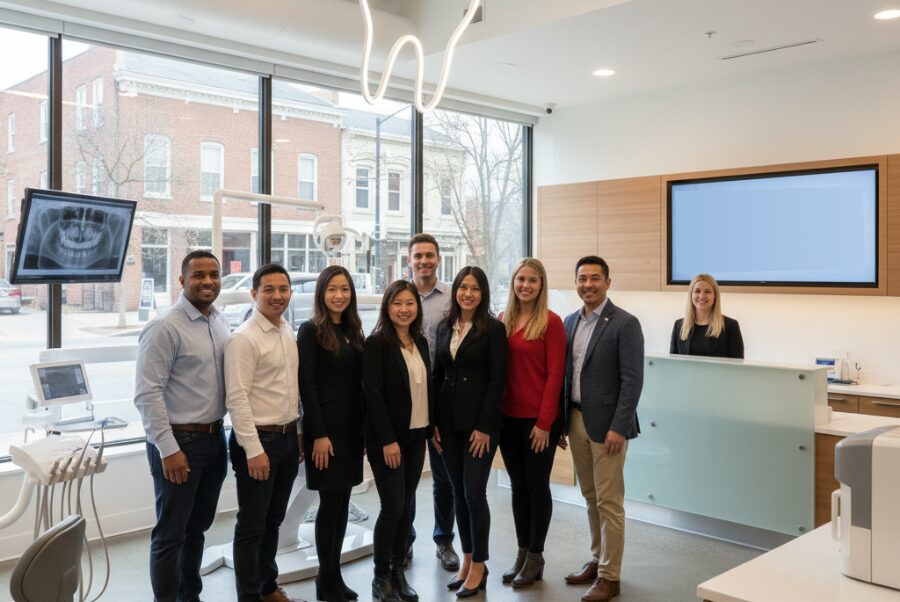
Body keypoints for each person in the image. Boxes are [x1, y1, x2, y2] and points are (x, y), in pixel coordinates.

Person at [135, 250, 230, 602]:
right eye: (199, 275)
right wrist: (168, 449)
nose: (208, 281)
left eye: (214, 275)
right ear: (182, 281)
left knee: (198, 527)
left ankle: (190, 595)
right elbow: (147, 394)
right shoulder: (165, 327)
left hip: (214, 438)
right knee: (171, 533)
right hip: (179, 442)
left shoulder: (219, 321)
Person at [561, 256, 644, 602]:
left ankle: (611, 576)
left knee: (610, 501)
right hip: (576, 420)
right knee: (590, 496)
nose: (588, 284)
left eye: (595, 278)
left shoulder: (625, 323)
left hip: (609, 427)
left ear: (608, 282)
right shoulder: (569, 321)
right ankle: (598, 560)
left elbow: (632, 380)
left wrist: (619, 427)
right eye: (582, 278)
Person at [225, 263, 305, 602]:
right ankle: (249, 596)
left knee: (273, 520)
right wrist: (254, 450)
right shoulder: (244, 338)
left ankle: (268, 587)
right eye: (269, 289)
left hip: (286, 438)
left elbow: (290, 390)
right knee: (252, 525)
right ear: (254, 293)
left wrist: (298, 431)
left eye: (283, 289)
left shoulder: (286, 330)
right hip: (258, 442)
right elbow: (237, 398)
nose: (277, 295)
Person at [431, 266, 508, 598]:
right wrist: (433, 422)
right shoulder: (445, 326)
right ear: (455, 291)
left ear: (483, 293)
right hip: (447, 425)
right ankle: (466, 559)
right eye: (463, 287)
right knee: (458, 492)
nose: (467, 293)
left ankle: (480, 564)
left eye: (475, 288)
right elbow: (437, 375)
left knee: (475, 494)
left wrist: (485, 427)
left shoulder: (492, 329)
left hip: (479, 427)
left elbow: (497, 381)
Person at [297, 266, 366, 602]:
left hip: (352, 431)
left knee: (342, 503)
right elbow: (306, 386)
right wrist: (319, 434)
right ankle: (326, 580)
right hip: (326, 433)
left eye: (345, 289)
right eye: (332, 289)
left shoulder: (353, 329)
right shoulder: (310, 331)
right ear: (321, 293)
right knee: (329, 505)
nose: (339, 295)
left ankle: (333, 575)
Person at [363, 280, 433, 602]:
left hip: (417, 436)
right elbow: (373, 396)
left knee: (406, 507)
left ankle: (398, 572)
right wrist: (387, 440)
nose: (404, 309)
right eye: (397, 303)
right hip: (387, 441)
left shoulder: (420, 342)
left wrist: (432, 428)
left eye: (410, 303)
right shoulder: (377, 344)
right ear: (387, 307)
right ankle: (380, 577)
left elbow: (426, 390)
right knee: (391, 506)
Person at [498, 258, 566, 589]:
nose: (525, 285)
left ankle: (537, 555)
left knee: (537, 488)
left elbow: (556, 376)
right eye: (521, 279)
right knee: (518, 488)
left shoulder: (552, 323)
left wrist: (545, 423)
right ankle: (523, 552)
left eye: (533, 280)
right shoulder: (503, 321)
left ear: (541, 286)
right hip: (507, 420)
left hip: (538, 423)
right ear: (513, 283)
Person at [405, 233, 459, 572]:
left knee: (443, 475)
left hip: (441, 393)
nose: (424, 260)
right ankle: (404, 540)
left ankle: (444, 540)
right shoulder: (398, 295)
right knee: (407, 476)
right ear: (409, 259)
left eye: (429, 255)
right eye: (418, 256)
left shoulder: (454, 297)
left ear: (438, 258)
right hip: (406, 394)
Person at [670, 273, 744, 358]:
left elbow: (737, 368)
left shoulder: (730, 326)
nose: (701, 296)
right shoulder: (679, 326)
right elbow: (673, 365)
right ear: (691, 295)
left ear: (715, 296)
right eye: (697, 291)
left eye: (707, 292)